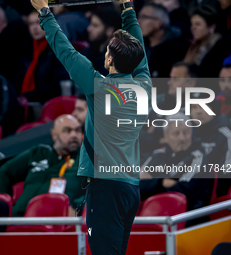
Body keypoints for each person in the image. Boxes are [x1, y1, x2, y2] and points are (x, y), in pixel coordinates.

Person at [30, 0, 151, 254]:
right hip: (130, 188)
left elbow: (66, 52)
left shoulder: (100, 88)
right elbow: (139, 54)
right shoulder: (143, 86)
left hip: (106, 188)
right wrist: (128, 9)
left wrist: (44, 14)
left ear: (109, 59)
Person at [0, 114, 85, 216]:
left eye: (78, 130)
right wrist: (6, 204)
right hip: (21, 217)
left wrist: (78, 207)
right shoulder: (38, 153)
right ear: (54, 134)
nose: (74, 135)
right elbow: (3, 172)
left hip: (57, 221)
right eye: (67, 131)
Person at [140, 113, 213, 212]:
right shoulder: (157, 154)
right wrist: (162, 182)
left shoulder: (199, 158)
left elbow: (182, 193)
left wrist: (150, 184)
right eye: (176, 133)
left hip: (187, 219)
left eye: (186, 133)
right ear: (165, 137)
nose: (182, 138)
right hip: (155, 214)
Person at [139, 62, 198, 163]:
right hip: (146, 158)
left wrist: (155, 132)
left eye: (175, 79)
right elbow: (138, 135)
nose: (169, 82)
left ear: (191, 83)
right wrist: (159, 139)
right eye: (170, 78)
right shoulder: (161, 103)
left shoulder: (199, 109)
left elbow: (187, 142)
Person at [191, 93, 231, 198]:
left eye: (203, 106)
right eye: (194, 107)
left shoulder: (227, 136)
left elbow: (227, 175)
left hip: (213, 199)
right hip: (191, 194)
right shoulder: (187, 136)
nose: (198, 111)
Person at [13, 10, 69, 103]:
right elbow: (18, 78)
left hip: (46, 102)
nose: (35, 28)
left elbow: (54, 86)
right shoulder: (27, 48)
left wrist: (27, 97)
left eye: (39, 22)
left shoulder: (58, 48)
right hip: (26, 101)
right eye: (31, 24)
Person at [184, 5, 231, 77]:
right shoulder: (192, 48)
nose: (193, 28)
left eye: (198, 24)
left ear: (212, 27)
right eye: (192, 24)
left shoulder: (224, 47)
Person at [138, 3, 190, 79]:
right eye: (138, 17)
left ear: (159, 23)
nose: (138, 21)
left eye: (144, 17)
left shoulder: (176, 51)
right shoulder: (140, 48)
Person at [82, 7, 121, 76]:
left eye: (95, 25)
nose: (89, 29)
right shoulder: (87, 52)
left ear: (109, 30)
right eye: (90, 24)